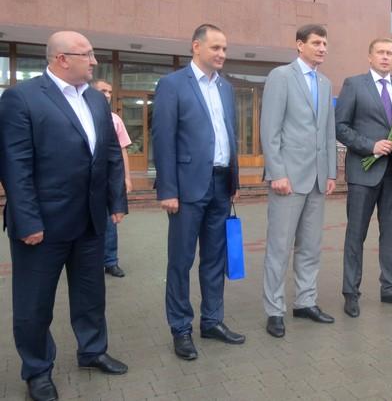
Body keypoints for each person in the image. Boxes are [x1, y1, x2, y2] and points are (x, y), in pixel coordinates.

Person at [0, 31, 128, 401]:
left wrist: (116, 202)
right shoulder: (21, 98)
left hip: (89, 221)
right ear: (62, 59)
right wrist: (28, 221)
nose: (94, 61)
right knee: (35, 304)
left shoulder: (95, 99)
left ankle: (92, 350)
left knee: (91, 295)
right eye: (87, 54)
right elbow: (15, 166)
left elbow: (109, 153)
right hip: (42, 225)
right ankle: (37, 370)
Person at [152, 24, 244, 362]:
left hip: (220, 185)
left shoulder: (225, 88)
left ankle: (212, 320)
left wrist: (233, 182)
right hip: (186, 188)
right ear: (196, 47)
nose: (222, 54)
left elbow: (229, 136)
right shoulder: (173, 84)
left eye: (225, 49)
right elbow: (163, 138)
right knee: (181, 261)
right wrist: (168, 189)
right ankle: (180, 328)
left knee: (215, 258)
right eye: (216, 47)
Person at [260, 24, 337, 338]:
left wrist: (330, 172)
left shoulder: (325, 83)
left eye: (325, 44)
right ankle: (274, 310)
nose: (322, 48)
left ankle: (306, 301)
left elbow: (328, 131)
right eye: (316, 43)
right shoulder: (281, 76)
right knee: (279, 248)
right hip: (288, 179)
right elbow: (270, 129)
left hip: (317, 179)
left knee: (310, 246)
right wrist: (277, 172)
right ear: (299, 45)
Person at [335, 38, 392, 317]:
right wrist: (370, 146)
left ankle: (391, 288)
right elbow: (340, 126)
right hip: (364, 171)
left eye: (390, 53)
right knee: (355, 234)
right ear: (370, 57)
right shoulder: (354, 84)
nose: (385, 57)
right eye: (380, 52)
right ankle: (351, 292)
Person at [91, 79, 132, 278]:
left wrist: (127, 177)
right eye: (103, 91)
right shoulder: (80, 114)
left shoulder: (114, 119)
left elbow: (121, 150)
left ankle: (110, 261)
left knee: (110, 221)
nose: (107, 95)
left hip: (108, 180)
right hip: (84, 180)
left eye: (109, 92)